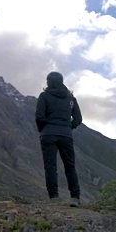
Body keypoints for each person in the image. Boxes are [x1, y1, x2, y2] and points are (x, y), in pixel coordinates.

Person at [35, 71, 83, 206]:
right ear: (62, 81)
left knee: (50, 167)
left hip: (48, 134)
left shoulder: (44, 96)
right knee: (70, 167)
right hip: (66, 135)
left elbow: (39, 116)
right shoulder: (71, 99)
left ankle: (54, 198)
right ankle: (75, 198)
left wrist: (43, 129)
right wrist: (68, 127)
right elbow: (78, 119)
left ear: (48, 82)